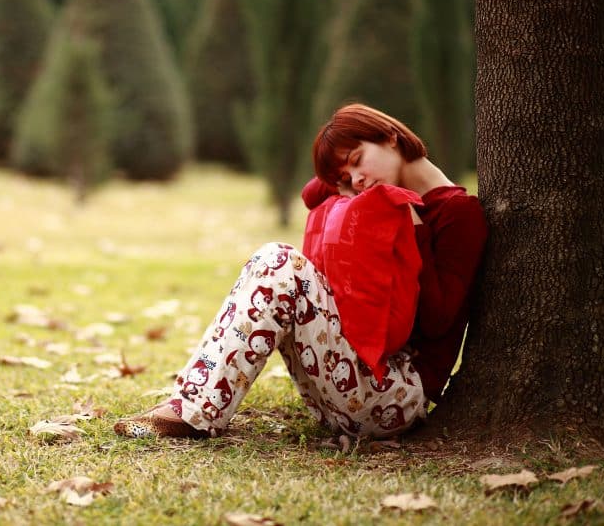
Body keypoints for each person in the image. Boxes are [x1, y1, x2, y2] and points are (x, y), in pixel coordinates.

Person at [114, 104, 488, 440]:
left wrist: (413, 229)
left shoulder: (458, 212)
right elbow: (314, 193)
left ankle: (194, 412)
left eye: (358, 159)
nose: (356, 179)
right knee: (273, 260)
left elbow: (440, 321)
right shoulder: (379, 200)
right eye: (346, 175)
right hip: (343, 390)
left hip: (396, 397)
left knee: (280, 262)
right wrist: (343, 180)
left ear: (391, 137)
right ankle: (192, 405)